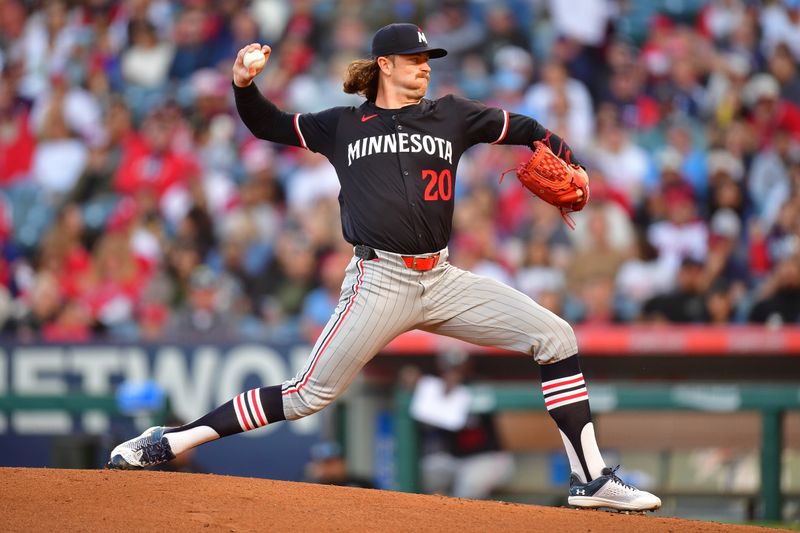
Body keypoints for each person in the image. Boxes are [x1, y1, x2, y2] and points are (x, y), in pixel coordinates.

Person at [107, 23, 660, 512]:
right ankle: (173, 439)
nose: (425, 68)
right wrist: (243, 86)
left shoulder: (451, 114)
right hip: (380, 280)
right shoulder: (343, 124)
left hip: (442, 278)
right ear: (386, 66)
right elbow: (268, 125)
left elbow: (527, 128)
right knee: (306, 396)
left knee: (556, 336)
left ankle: (591, 478)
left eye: (429, 60)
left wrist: (573, 161)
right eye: (416, 60)